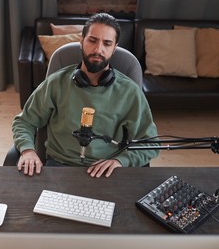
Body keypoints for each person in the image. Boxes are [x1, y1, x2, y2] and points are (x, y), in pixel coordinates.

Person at [12, 13, 159, 178]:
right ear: (81, 42)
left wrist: (121, 161)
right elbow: (24, 121)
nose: (98, 49)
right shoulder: (56, 83)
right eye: (92, 40)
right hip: (58, 168)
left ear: (114, 48)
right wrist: (28, 150)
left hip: (107, 171)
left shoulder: (130, 92)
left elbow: (150, 143)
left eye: (107, 43)